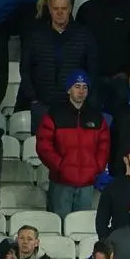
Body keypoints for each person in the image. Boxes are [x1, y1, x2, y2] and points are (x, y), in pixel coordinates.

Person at [36, 72, 109, 218]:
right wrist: (60, 165)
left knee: (81, 227)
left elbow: (104, 144)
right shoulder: (55, 113)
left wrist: (97, 166)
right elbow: (44, 144)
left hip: (87, 184)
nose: (81, 91)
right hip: (61, 182)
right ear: (69, 89)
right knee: (59, 225)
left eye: (84, 87)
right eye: (77, 86)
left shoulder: (96, 116)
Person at [19, 0, 98, 125]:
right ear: (49, 9)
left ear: (70, 9)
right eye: (56, 8)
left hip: (73, 105)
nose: (60, 12)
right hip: (42, 104)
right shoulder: (36, 35)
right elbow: (25, 68)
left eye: (64, 8)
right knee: (41, 145)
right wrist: (33, 97)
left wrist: (84, 97)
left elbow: (93, 69)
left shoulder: (84, 35)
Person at [74, 0, 130, 113]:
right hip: (93, 79)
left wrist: (128, 73)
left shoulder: (129, 11)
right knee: (90, 120)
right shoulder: (86, 10)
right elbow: (77, 46)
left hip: (120, 79)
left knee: (122, 121)